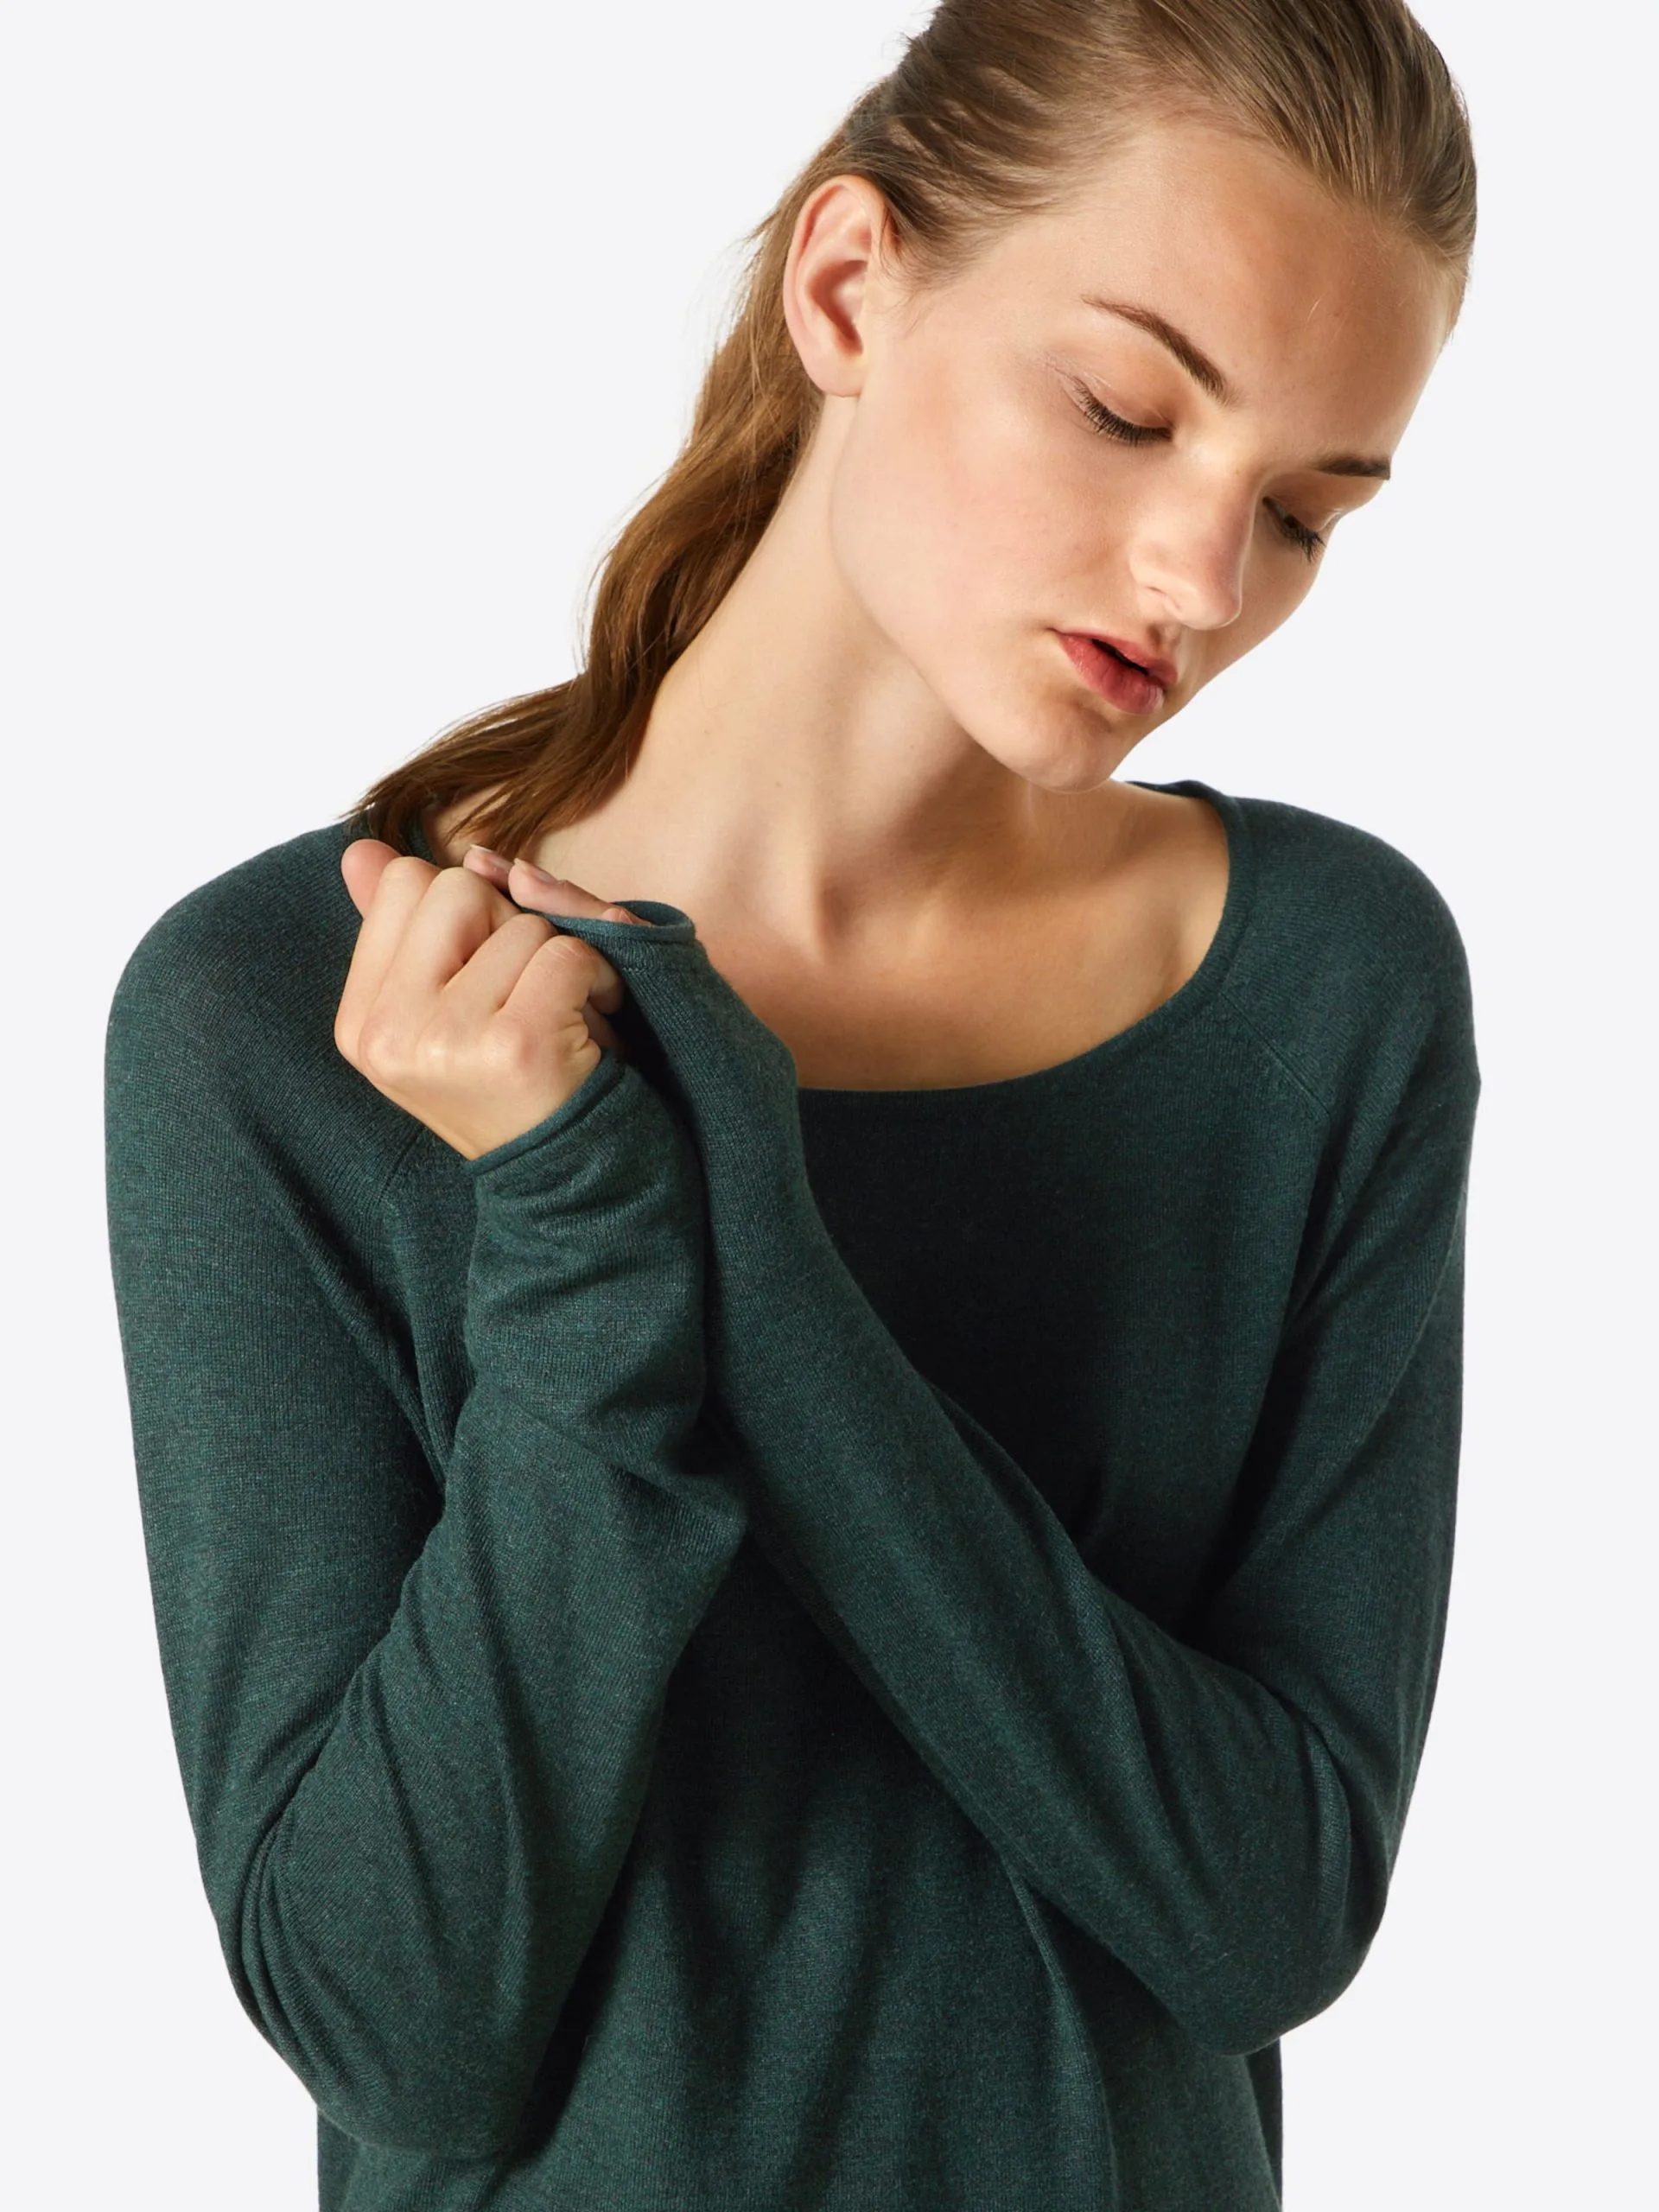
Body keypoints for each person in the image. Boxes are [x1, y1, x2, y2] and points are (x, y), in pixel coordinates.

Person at [103, 2, 1481, 2206]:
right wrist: (582, 1237)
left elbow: (1265, 1914)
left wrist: (738, 1237)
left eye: (1306, 512)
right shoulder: (292, 1014)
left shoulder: (1326, 986)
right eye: (1126, 411)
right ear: (849, 288)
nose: (1203, 582)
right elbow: (398, 2015)